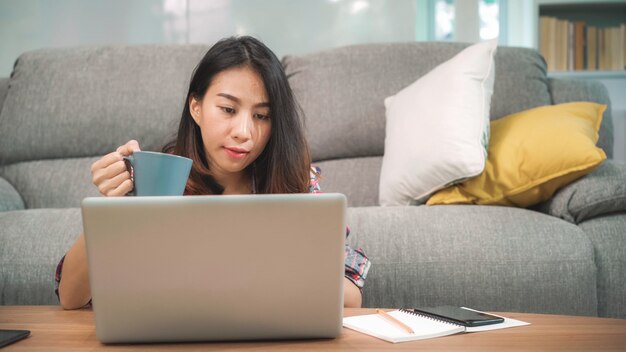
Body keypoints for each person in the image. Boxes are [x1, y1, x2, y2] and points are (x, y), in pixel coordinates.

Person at [55, 36, 370, 310]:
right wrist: (111, 206)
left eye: (261, 115)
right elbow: (71, 297)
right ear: (196, 107)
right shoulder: (159, 180)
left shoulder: (294, 180)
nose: (244, 132)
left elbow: (350, 294)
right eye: (228, 110)